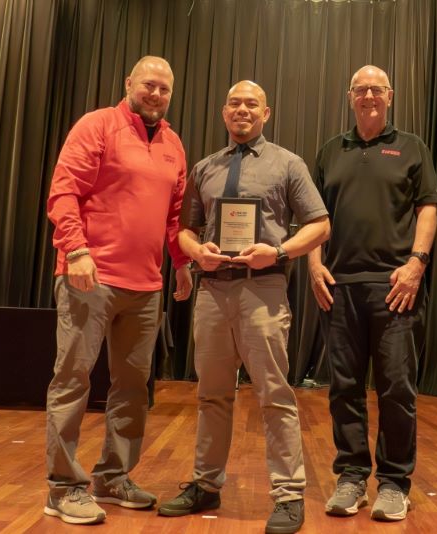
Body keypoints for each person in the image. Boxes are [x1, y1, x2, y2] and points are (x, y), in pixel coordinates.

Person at [157, 80, 330, 534]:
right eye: (234, 102)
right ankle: (206, 483)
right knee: (211, 394)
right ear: (223, 111)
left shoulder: (287, 163)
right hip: (212, 292)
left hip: (263, 289)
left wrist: (280, 254)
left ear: (266, 113)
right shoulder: (204, 168)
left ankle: (289, 495)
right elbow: (184, 230)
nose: (242, 110)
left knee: (274, 394)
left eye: (251, 104)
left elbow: (320, 225)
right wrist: (197, 253)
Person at [44, 56, 193, 525]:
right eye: (149, 84)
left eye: (164, 89)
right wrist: (77, 250)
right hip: (90, 277)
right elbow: (63, 191)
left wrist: (182, 264)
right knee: (73, 380)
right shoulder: (98, 125)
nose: (156, 94)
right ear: (128, 82)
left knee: (132, 388)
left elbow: (173, 217)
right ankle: (63, 487)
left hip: (146, 287)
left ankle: (113, 476)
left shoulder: (173, 144)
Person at [308, 65, 437, 522]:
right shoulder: (329, 151)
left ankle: (393, 483)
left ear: (390, 96)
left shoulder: (412, 147)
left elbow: (428, 210)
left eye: (376, 89)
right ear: (350, 97)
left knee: (396, 390)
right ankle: (350, 477)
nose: (368, 96)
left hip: (395, 287)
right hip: (339, 289)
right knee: (343, 389)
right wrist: (312, 263)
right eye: (360, 90)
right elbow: (314, 216)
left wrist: (416, 264)